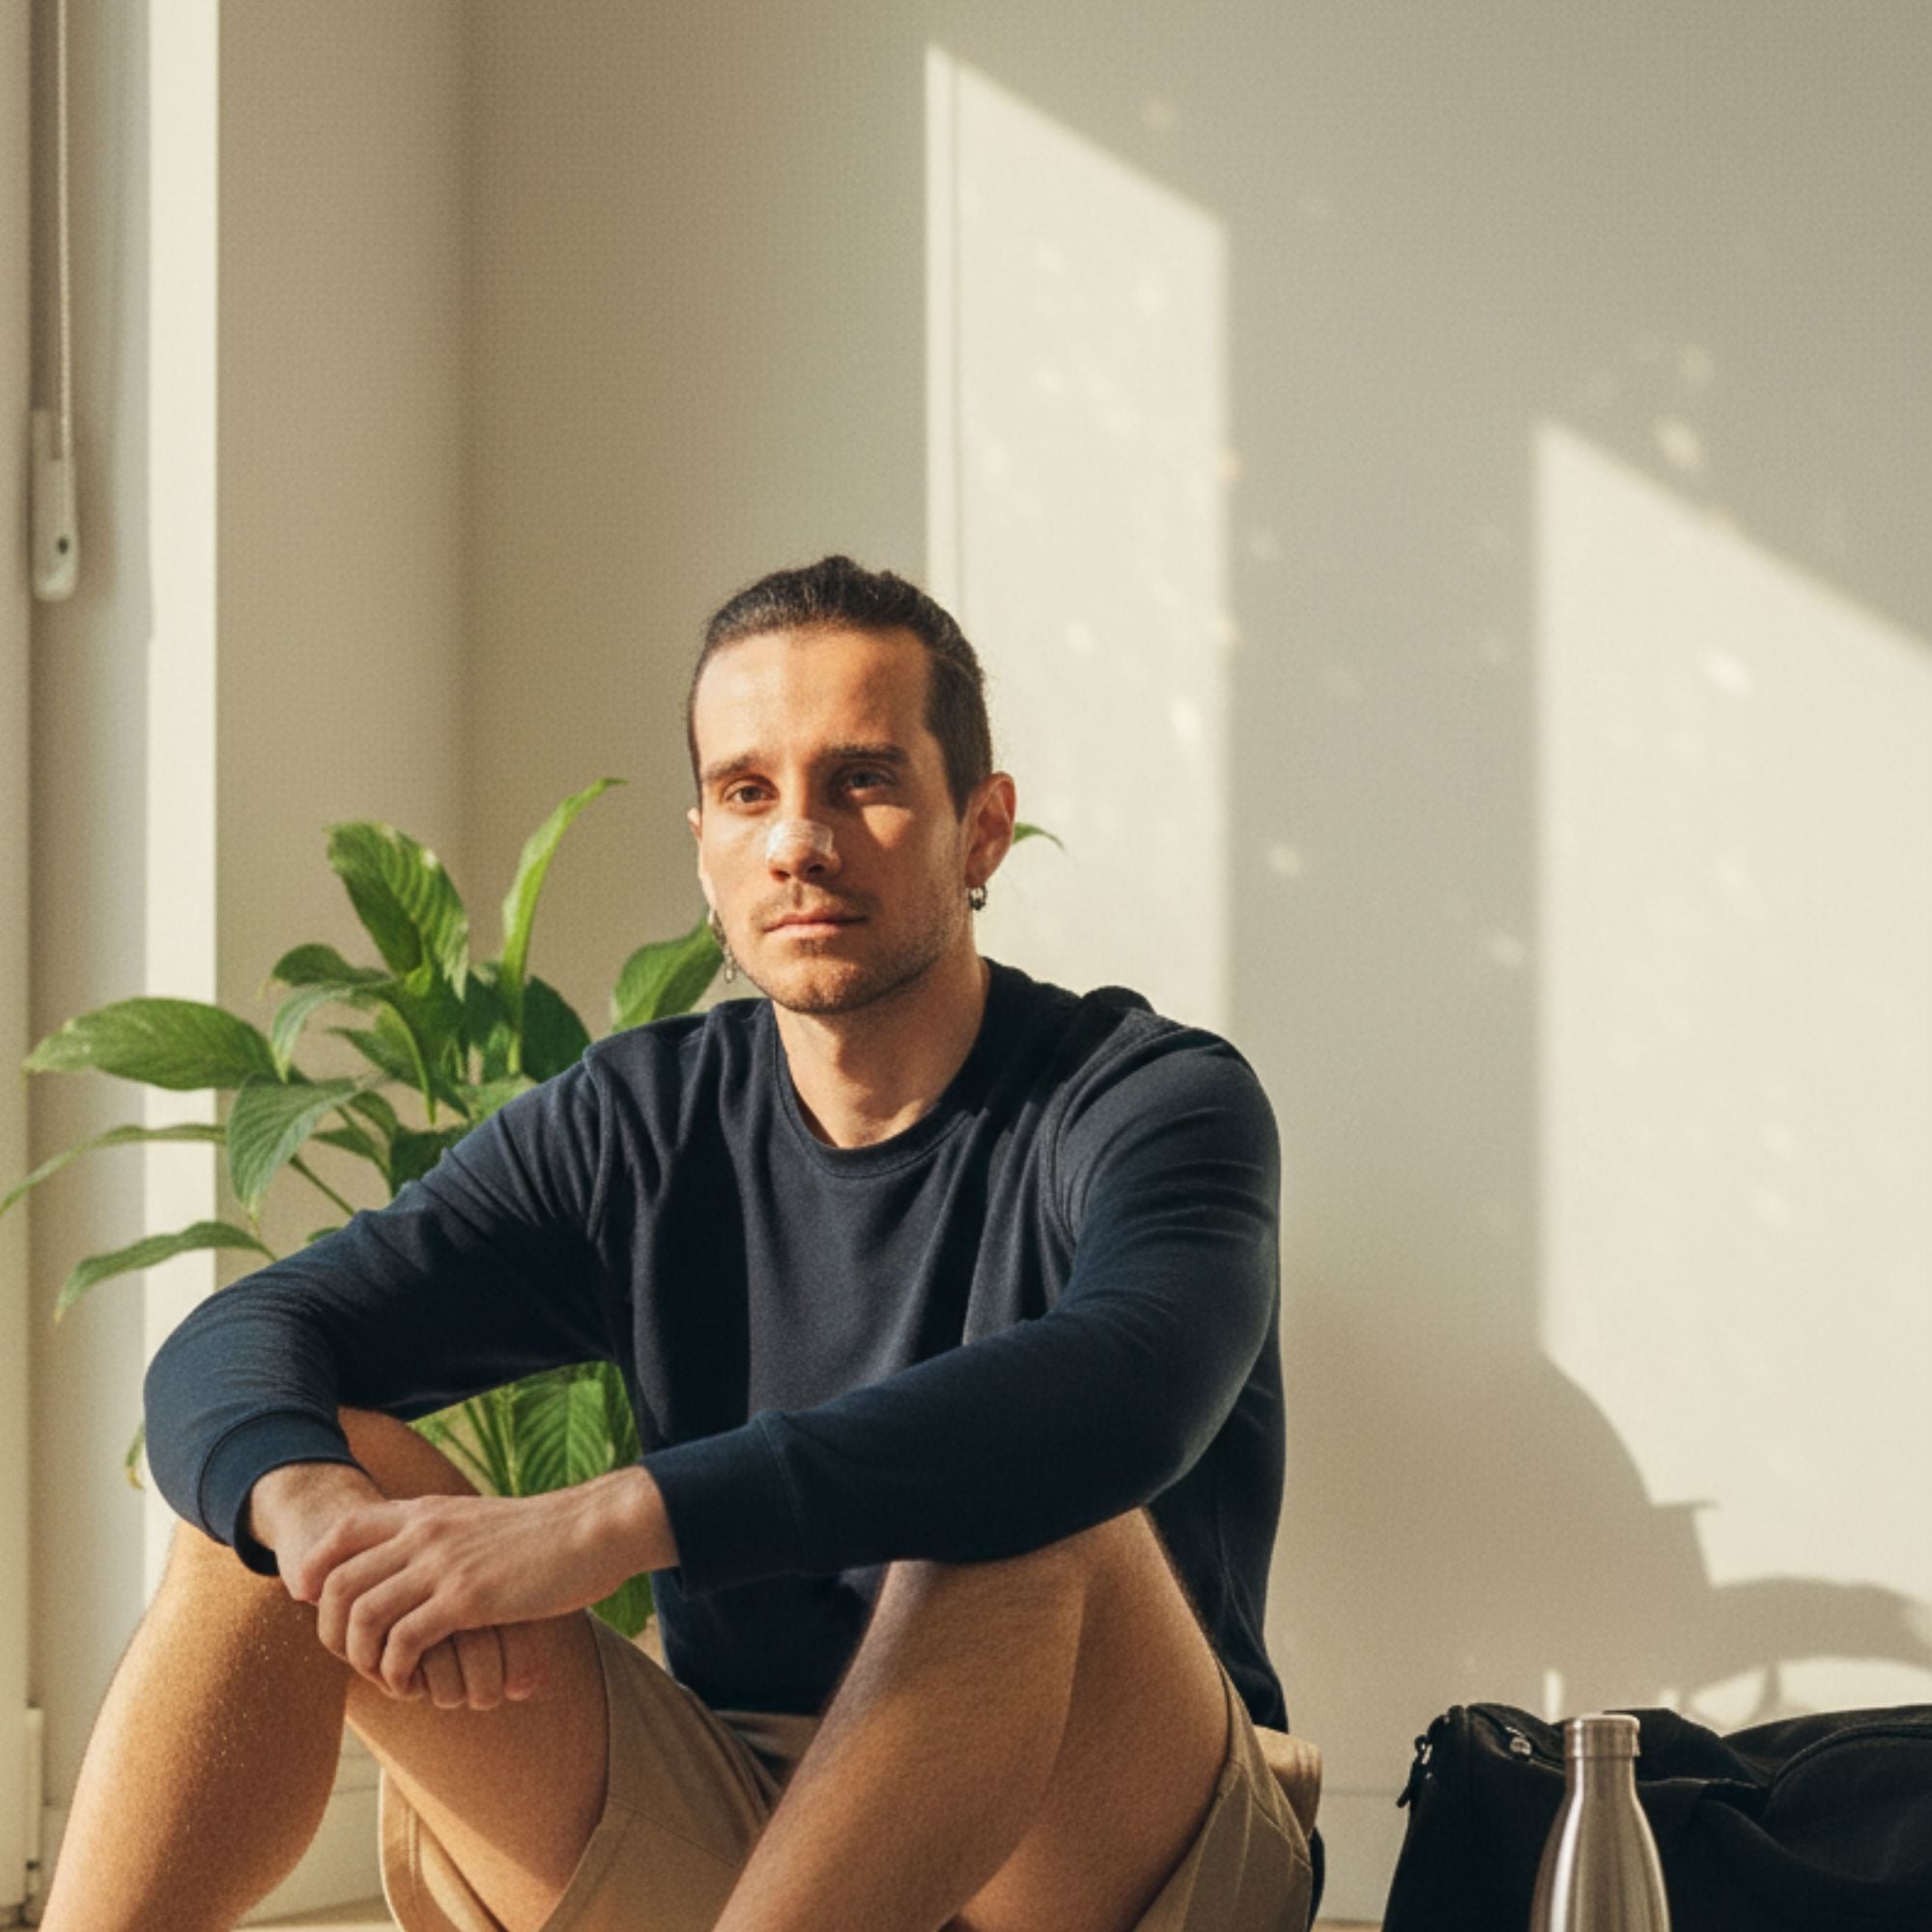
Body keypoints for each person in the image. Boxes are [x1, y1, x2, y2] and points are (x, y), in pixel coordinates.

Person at [41, 555, 1321, 1932]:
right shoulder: (640, 1122)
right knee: (275, 1482)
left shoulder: (1148, 1101)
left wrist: (609, 1521)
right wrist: (314, 1517)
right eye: (750, 794)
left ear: (983, 829)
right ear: (704, 843)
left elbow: (1123, 1388)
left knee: (1017, 1521)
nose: (799, 843)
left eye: (864, 781)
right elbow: (238, 1343)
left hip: (1110, 1845)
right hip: (740, 1816)